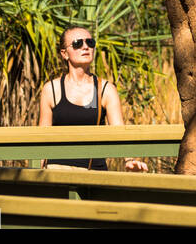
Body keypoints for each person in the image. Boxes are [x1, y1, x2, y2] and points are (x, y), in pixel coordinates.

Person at [38, 25, 149, 172]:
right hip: (57, 171)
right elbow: (41, 138)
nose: (85, 47)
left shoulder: (106, 89)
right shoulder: (51, 90)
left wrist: (130, 160)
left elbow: (119, 131)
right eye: (78, 43)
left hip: (93, 172)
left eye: (90, 43)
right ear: (64, 53)